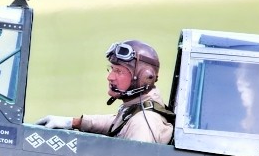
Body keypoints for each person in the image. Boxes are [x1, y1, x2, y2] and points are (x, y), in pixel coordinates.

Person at [36, 40, 175, 144]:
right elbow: (118, 122)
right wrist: (74, 122)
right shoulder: (139, 107)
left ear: (143, 77)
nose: (110, 77)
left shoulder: (143, 123)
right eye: (112, 69)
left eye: (119, 71)